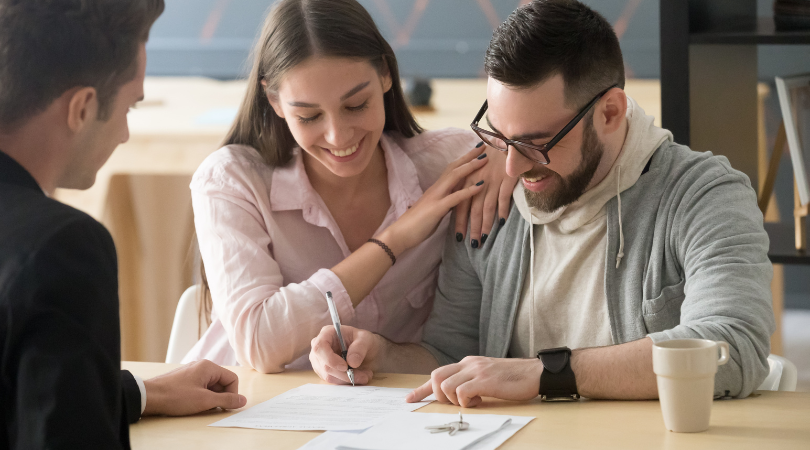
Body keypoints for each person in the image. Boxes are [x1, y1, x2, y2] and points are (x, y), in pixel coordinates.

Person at [309, 0, 775, 404]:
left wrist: (545, 374)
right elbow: (453, 352)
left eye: (535, 143)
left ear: (610, 113)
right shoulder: (490, 201)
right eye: (499, 136)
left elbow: (732, 347)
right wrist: (383, 353)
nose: (510, 168)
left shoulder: (704, 194)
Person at [183, 0, 515, 372]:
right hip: (242, 410)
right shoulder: (232, 180)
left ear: (386, 75)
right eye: (308, 115)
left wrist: (507, 152)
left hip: (393, 413)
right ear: (275, 101)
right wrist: (395, 239)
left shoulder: (448, 166)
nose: (338, 135)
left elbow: (536, 145)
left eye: (356, 105)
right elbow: (259, 344)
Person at [0, 1, 246, 448]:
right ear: (82, 108)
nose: (125, 134)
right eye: (130, 107)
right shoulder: (61, 247)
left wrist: (143, 392)